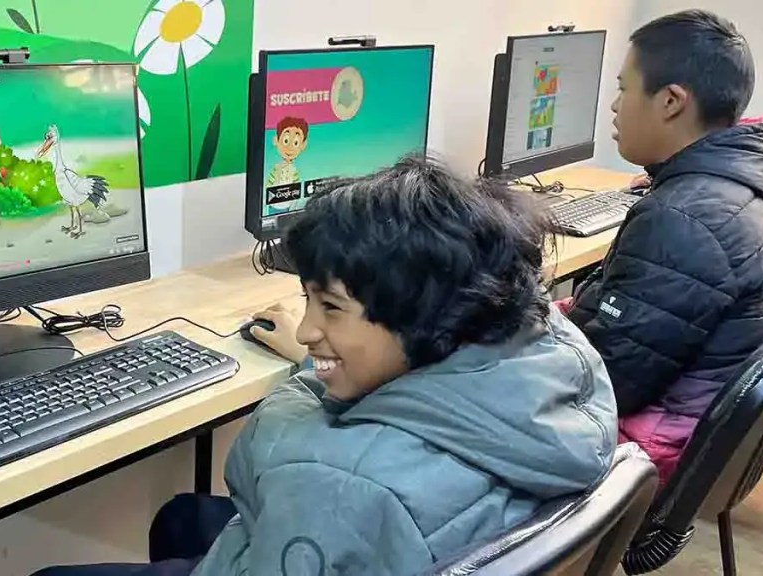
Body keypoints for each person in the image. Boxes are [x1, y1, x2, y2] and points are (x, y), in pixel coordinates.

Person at [33, 154, 617, 576]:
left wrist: (312, 383)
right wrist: (329, 359)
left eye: (331, 307)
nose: (308, 330)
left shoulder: (338, 482)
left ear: (425, 318)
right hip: (428, 535)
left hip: (360, 526)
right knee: (184, 517)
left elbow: (325, 477)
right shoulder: (554, 360)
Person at [561, 9, 763, 486]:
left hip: (640, 456)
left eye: (623, 88)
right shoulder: (736, 182)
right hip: (696, 439)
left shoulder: (685, 219)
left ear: (671, 101)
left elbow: (606, 382)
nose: (614, 106)